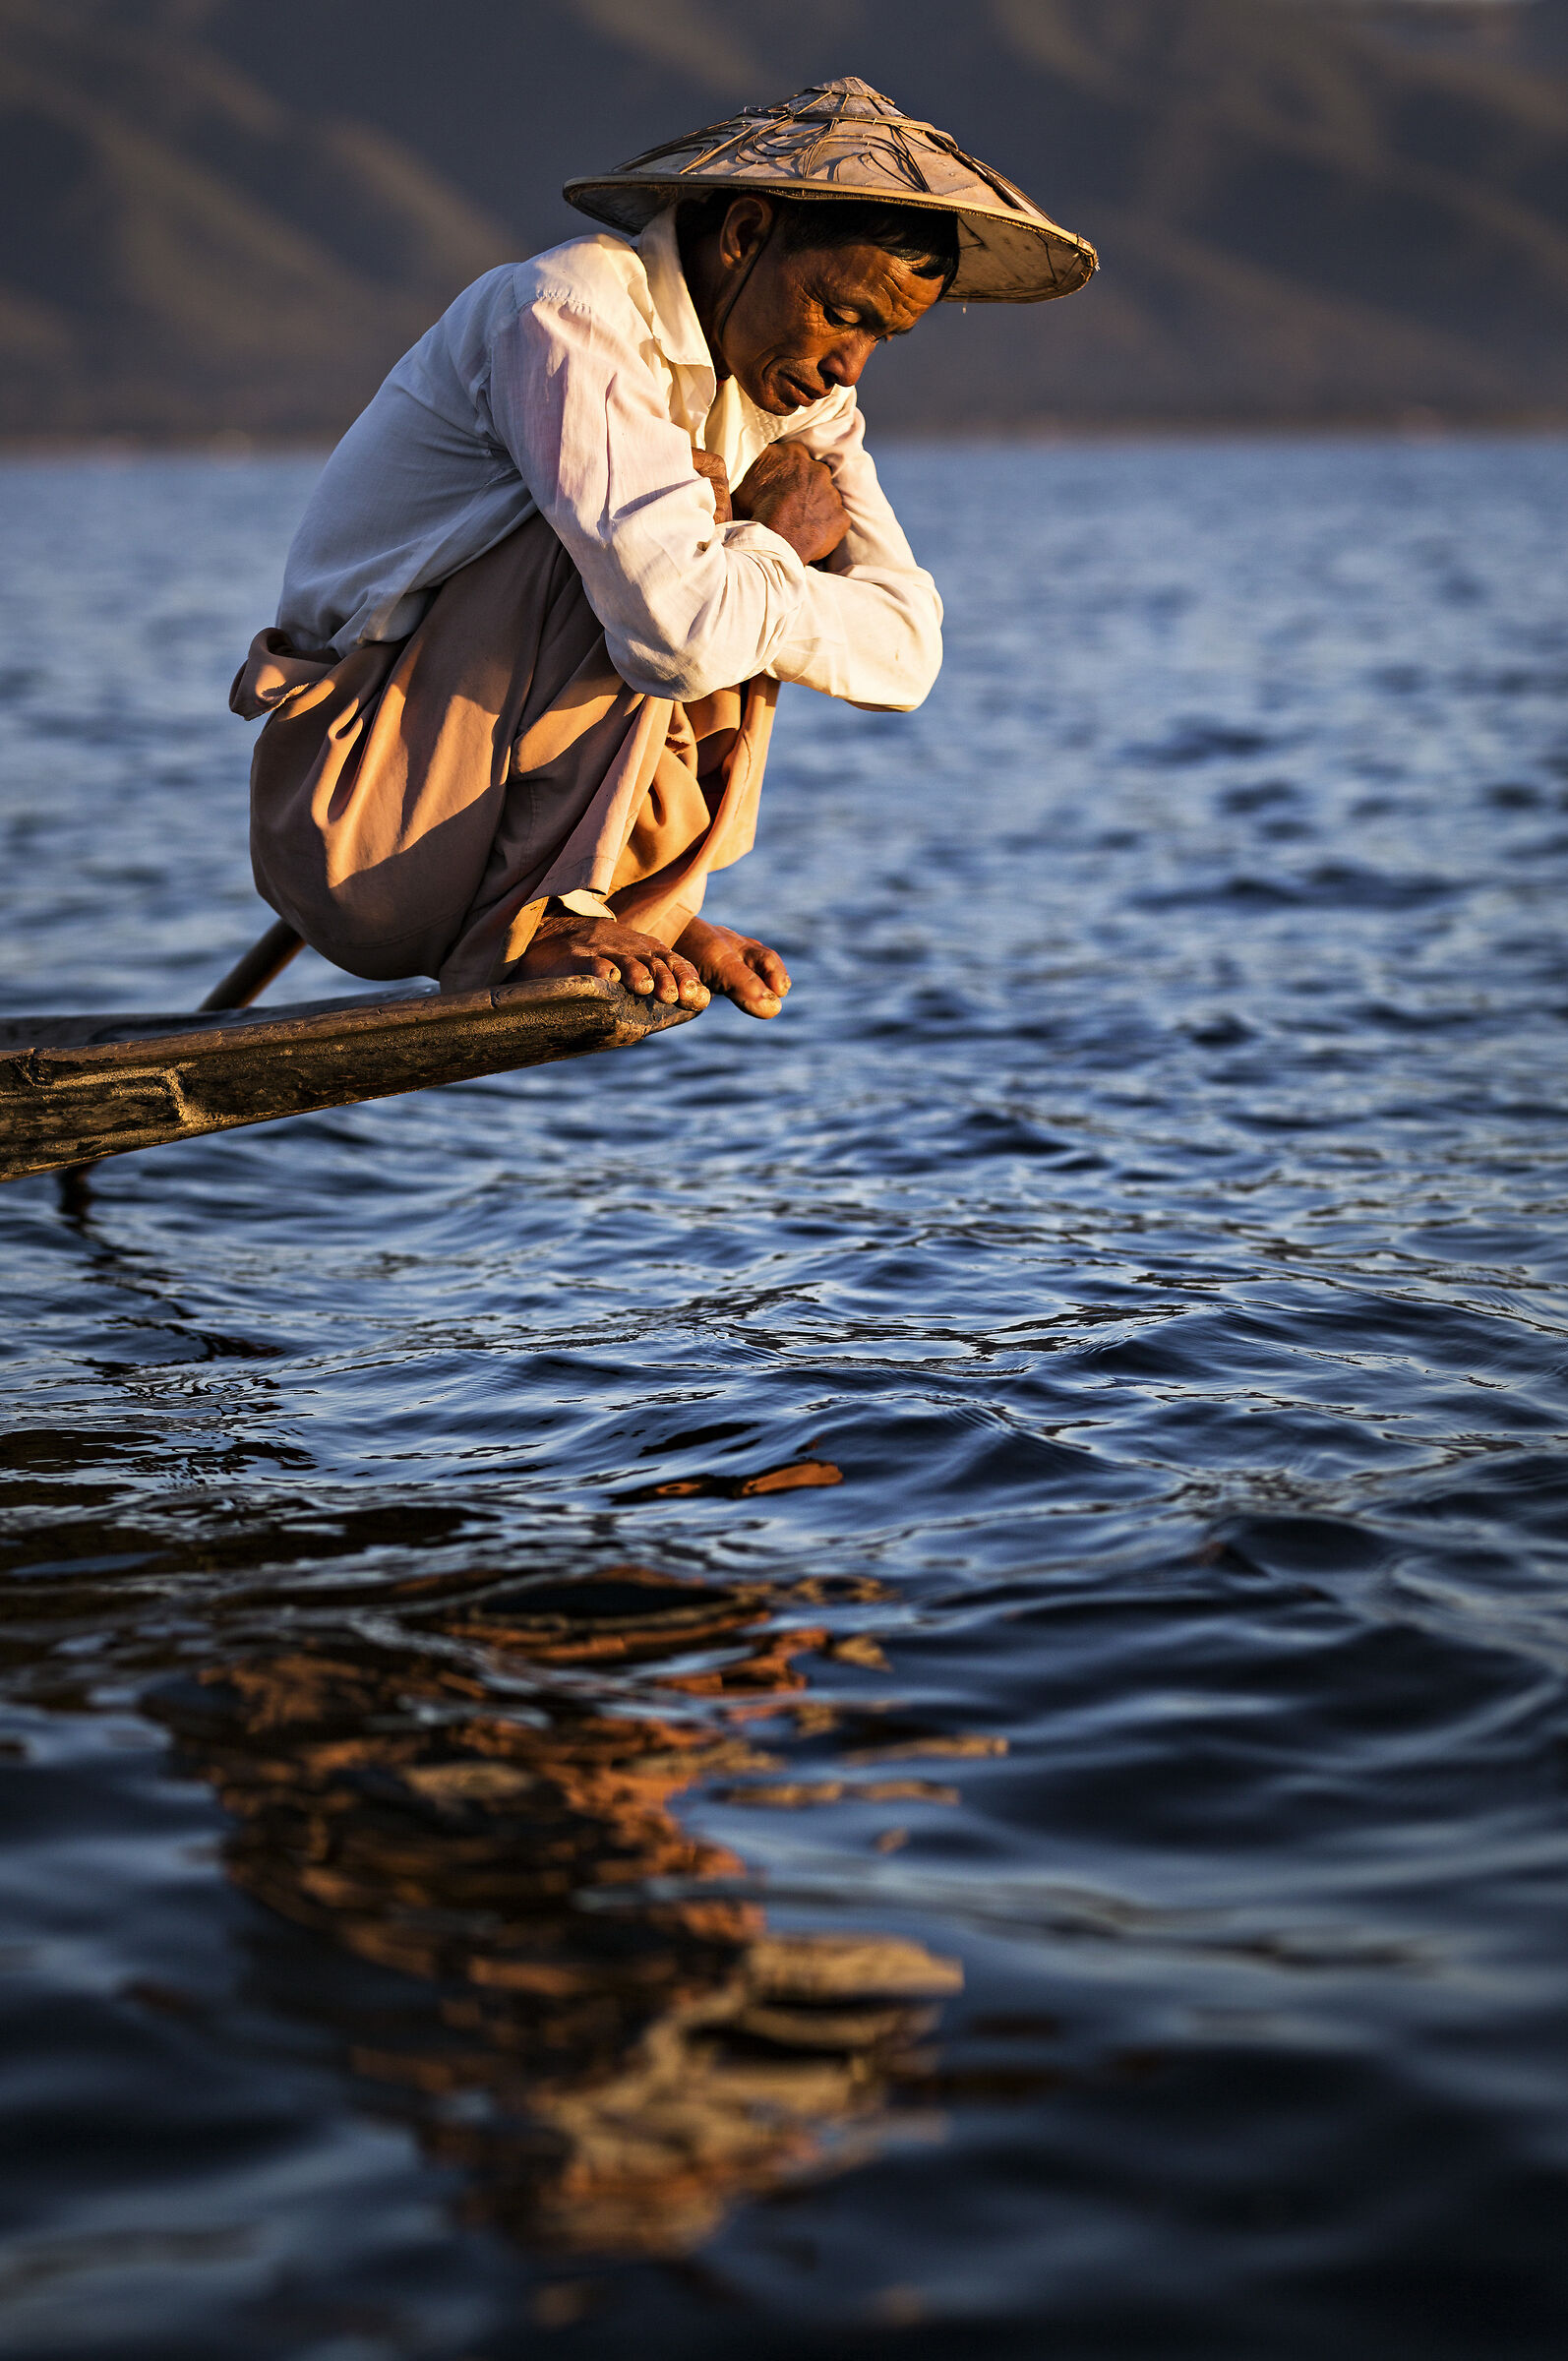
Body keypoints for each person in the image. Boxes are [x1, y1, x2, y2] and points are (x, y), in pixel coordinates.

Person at [230, 79, 1095, 1018]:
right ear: (744, 235)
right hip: (367, 820)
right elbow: (670, 636)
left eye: (884, 337)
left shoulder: (805, 400)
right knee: (683, 563)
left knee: (725, 587)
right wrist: (762, 545)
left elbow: (909, 652)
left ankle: (626, 898)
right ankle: (552, 914)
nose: (852, 367)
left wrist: (745, 569)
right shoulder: (568, 313)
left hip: (477, 845)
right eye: (844, 314)